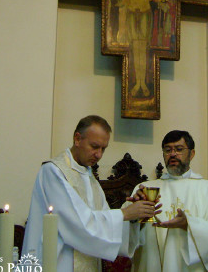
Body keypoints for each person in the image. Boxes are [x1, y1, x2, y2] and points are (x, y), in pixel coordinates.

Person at [22, 115, 157, 272]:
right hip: (59, 264)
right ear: (77, 139)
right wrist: (124, 214)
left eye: (103, 149)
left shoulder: (89, 176)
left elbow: (103, 222)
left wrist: (134, 217)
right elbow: (78, 224)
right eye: (94, 146)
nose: (99, 155)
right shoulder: (54, 172)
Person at [84, 0, 202, 98]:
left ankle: (143, 83)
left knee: (143, 50)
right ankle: (138, 82)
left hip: (145, 14)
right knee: (134, 49)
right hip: (132, 14)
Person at [125, 130, 208, 272]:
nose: (172, 154)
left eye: (179, 149)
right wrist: (136, 218)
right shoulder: (147, 190)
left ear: (192, 154)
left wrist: (189, 225)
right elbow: (128, 234)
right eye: (168, 150)